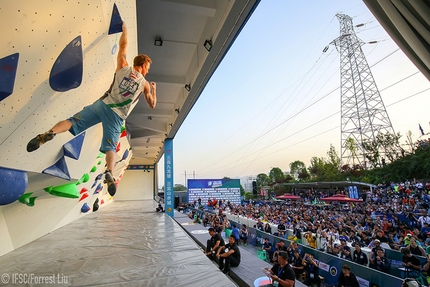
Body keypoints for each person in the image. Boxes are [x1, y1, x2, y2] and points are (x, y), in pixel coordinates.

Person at [26, 22, 157, 197]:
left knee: (72, 121)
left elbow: (123, 46)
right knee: (110, 147)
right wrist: (154, 90)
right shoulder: (145, 84)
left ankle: (50, 132)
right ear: (143, 66)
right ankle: (109, 172)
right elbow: (152, 104)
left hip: (102, 105)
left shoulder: (123, 65)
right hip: (116, 116)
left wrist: (125, 30)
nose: (148, 71)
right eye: (148, 68)